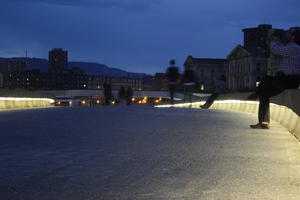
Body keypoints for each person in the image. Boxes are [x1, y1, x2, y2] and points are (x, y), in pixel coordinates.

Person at [248, 28, 300, 129]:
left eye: (289, 33)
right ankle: (263, 122)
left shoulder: (294, 48)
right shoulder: (291, 47)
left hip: (289, 79)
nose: (286, 34)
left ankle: (256, 93)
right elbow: (276, 53)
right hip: (285, 79)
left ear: (294, 37)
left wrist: (272, 39)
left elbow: (275, 49)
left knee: (266, 79)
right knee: (264, 94)